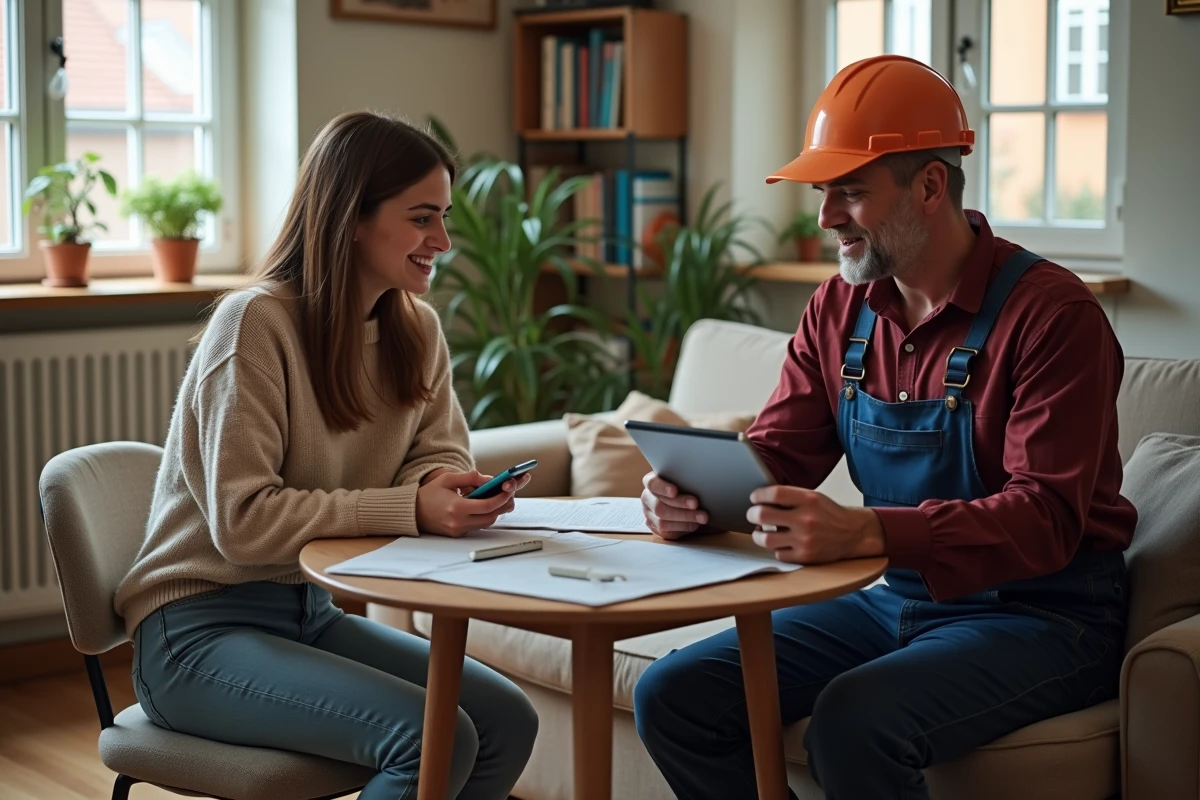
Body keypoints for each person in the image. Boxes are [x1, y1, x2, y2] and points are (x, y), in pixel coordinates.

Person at [633, 55, 1136, 799]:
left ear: (930, 186)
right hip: (886, 598)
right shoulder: (839, 309)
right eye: (821, 192)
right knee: (675, 695)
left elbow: (1047, 519)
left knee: (854, 721)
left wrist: (869, 532)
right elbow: (778, 455)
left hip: (1045, 613)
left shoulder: (1054, 318)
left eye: (850, 192)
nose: (825, 216)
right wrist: (692, 495)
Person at [114, 111, 539, 800]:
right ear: (351, 218)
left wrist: (445, 489)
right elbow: (243, 522)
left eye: (445, 217)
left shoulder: (416, 329)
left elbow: (436, 450)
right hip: (194, 634)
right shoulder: (255, 324)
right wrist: (411, 506)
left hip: (311, 613)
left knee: (506, 721)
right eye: (423, 217)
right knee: (433, 736)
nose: (444, 240)